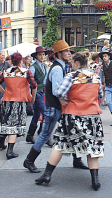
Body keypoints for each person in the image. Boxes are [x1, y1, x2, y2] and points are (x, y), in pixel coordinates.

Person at [35, 52, 104, 191]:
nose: (71, 65)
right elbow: (99, 95)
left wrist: (64, 99)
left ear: (76, 63)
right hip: (92, 116)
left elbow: (59, 92)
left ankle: (47, 175)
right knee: (92, 147)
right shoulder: (96, 77)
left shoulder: (71, 76)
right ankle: (95, 180)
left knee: (60, 144)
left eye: (72, 63)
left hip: (72, 115)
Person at [23, 40, 88, 174]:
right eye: (66, 51)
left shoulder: (58, 66)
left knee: (72, 131)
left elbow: (51, 85)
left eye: (69, 51)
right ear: (59, 54)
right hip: (55, 108)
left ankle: (77, 160)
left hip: (56, 107)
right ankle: (29, 160)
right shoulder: (58, 68)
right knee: (46, 134)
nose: (69, 53)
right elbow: (57, 91)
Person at [0, 52, 37, 159]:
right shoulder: (25, 72)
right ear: (20, 61)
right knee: (14, 125)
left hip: (6, 100)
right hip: (19, 101)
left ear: (11, 61)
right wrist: (33, 97)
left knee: (5, 122)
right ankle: (10, 151)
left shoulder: (6, 72)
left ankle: (1, 144)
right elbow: (34, 85)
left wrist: (4, 91)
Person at [26, 46, 49, 145]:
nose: (42, 56)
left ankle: (30, 135)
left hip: (42, 91)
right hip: (36, 92)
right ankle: (46, 136)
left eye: (43, 54)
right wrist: (31, 94)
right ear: (36, 56)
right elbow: (30, 80)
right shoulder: (33, 66)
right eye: (40, 54)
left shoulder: (44, 65)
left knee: (36, 114)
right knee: (45, 113)